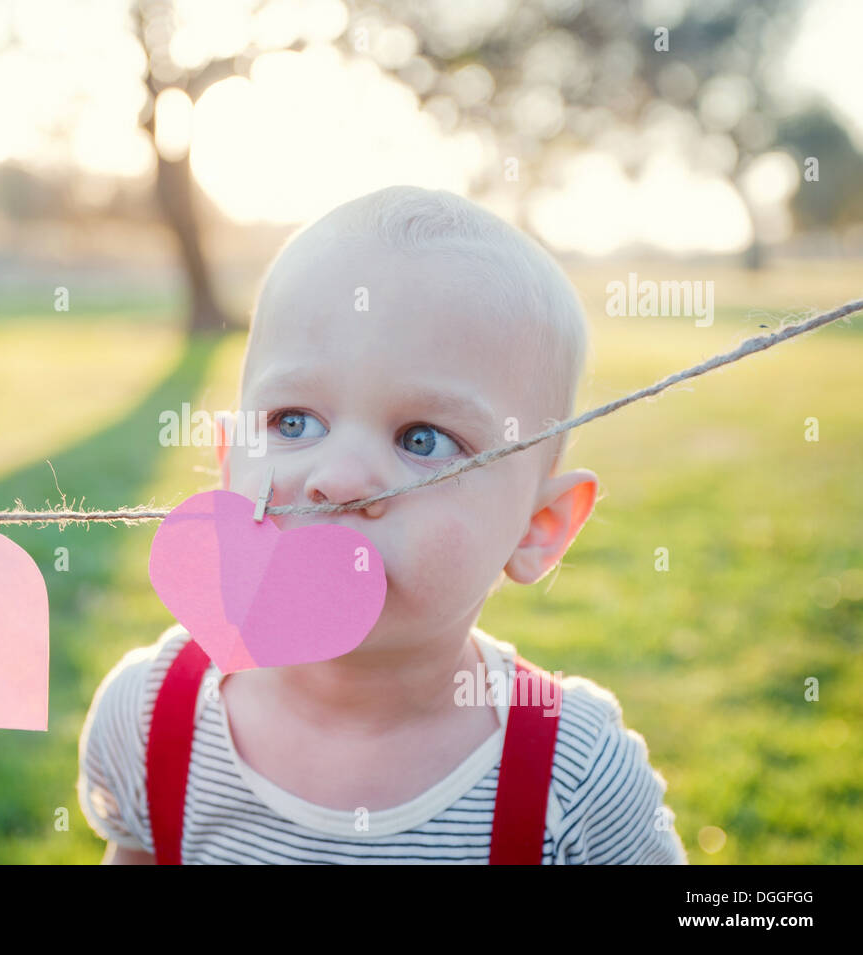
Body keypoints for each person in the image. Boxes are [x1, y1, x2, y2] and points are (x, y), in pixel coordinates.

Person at [77, 185, 688, 864]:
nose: (337, 479)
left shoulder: (575, 778)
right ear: (229, 465)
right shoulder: (151, 715)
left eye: (423, 438)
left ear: (538, 524)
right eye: (294, 422)